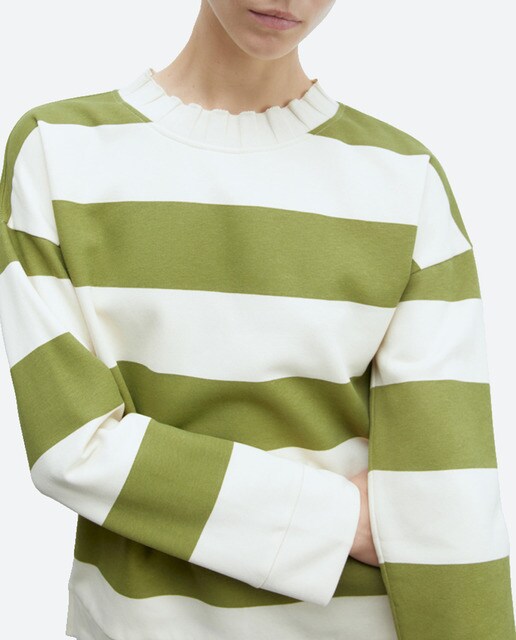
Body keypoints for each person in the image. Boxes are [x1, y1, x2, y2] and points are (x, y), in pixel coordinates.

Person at [0, 1, 514, 639]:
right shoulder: (58, 149)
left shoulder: (405, 179)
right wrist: (337, 521)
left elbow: (451, 493)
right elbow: (71, 447)